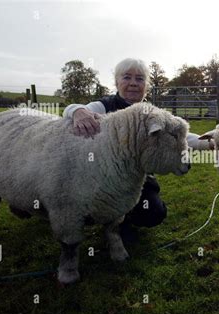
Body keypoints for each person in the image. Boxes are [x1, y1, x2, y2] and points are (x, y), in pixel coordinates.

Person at [63, 58, 211, 243]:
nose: (133, 83)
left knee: (155, 213)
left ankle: (125, 217)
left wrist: (208, 142)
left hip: (139, 177)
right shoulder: (105, 106)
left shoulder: (152, 112)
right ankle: (110, 222)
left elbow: (179, 135)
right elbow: (74, 110)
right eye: (127, 77)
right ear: (117, 82)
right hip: (103, 177)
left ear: (146, 86)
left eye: (140, 79)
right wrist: (77, 111)